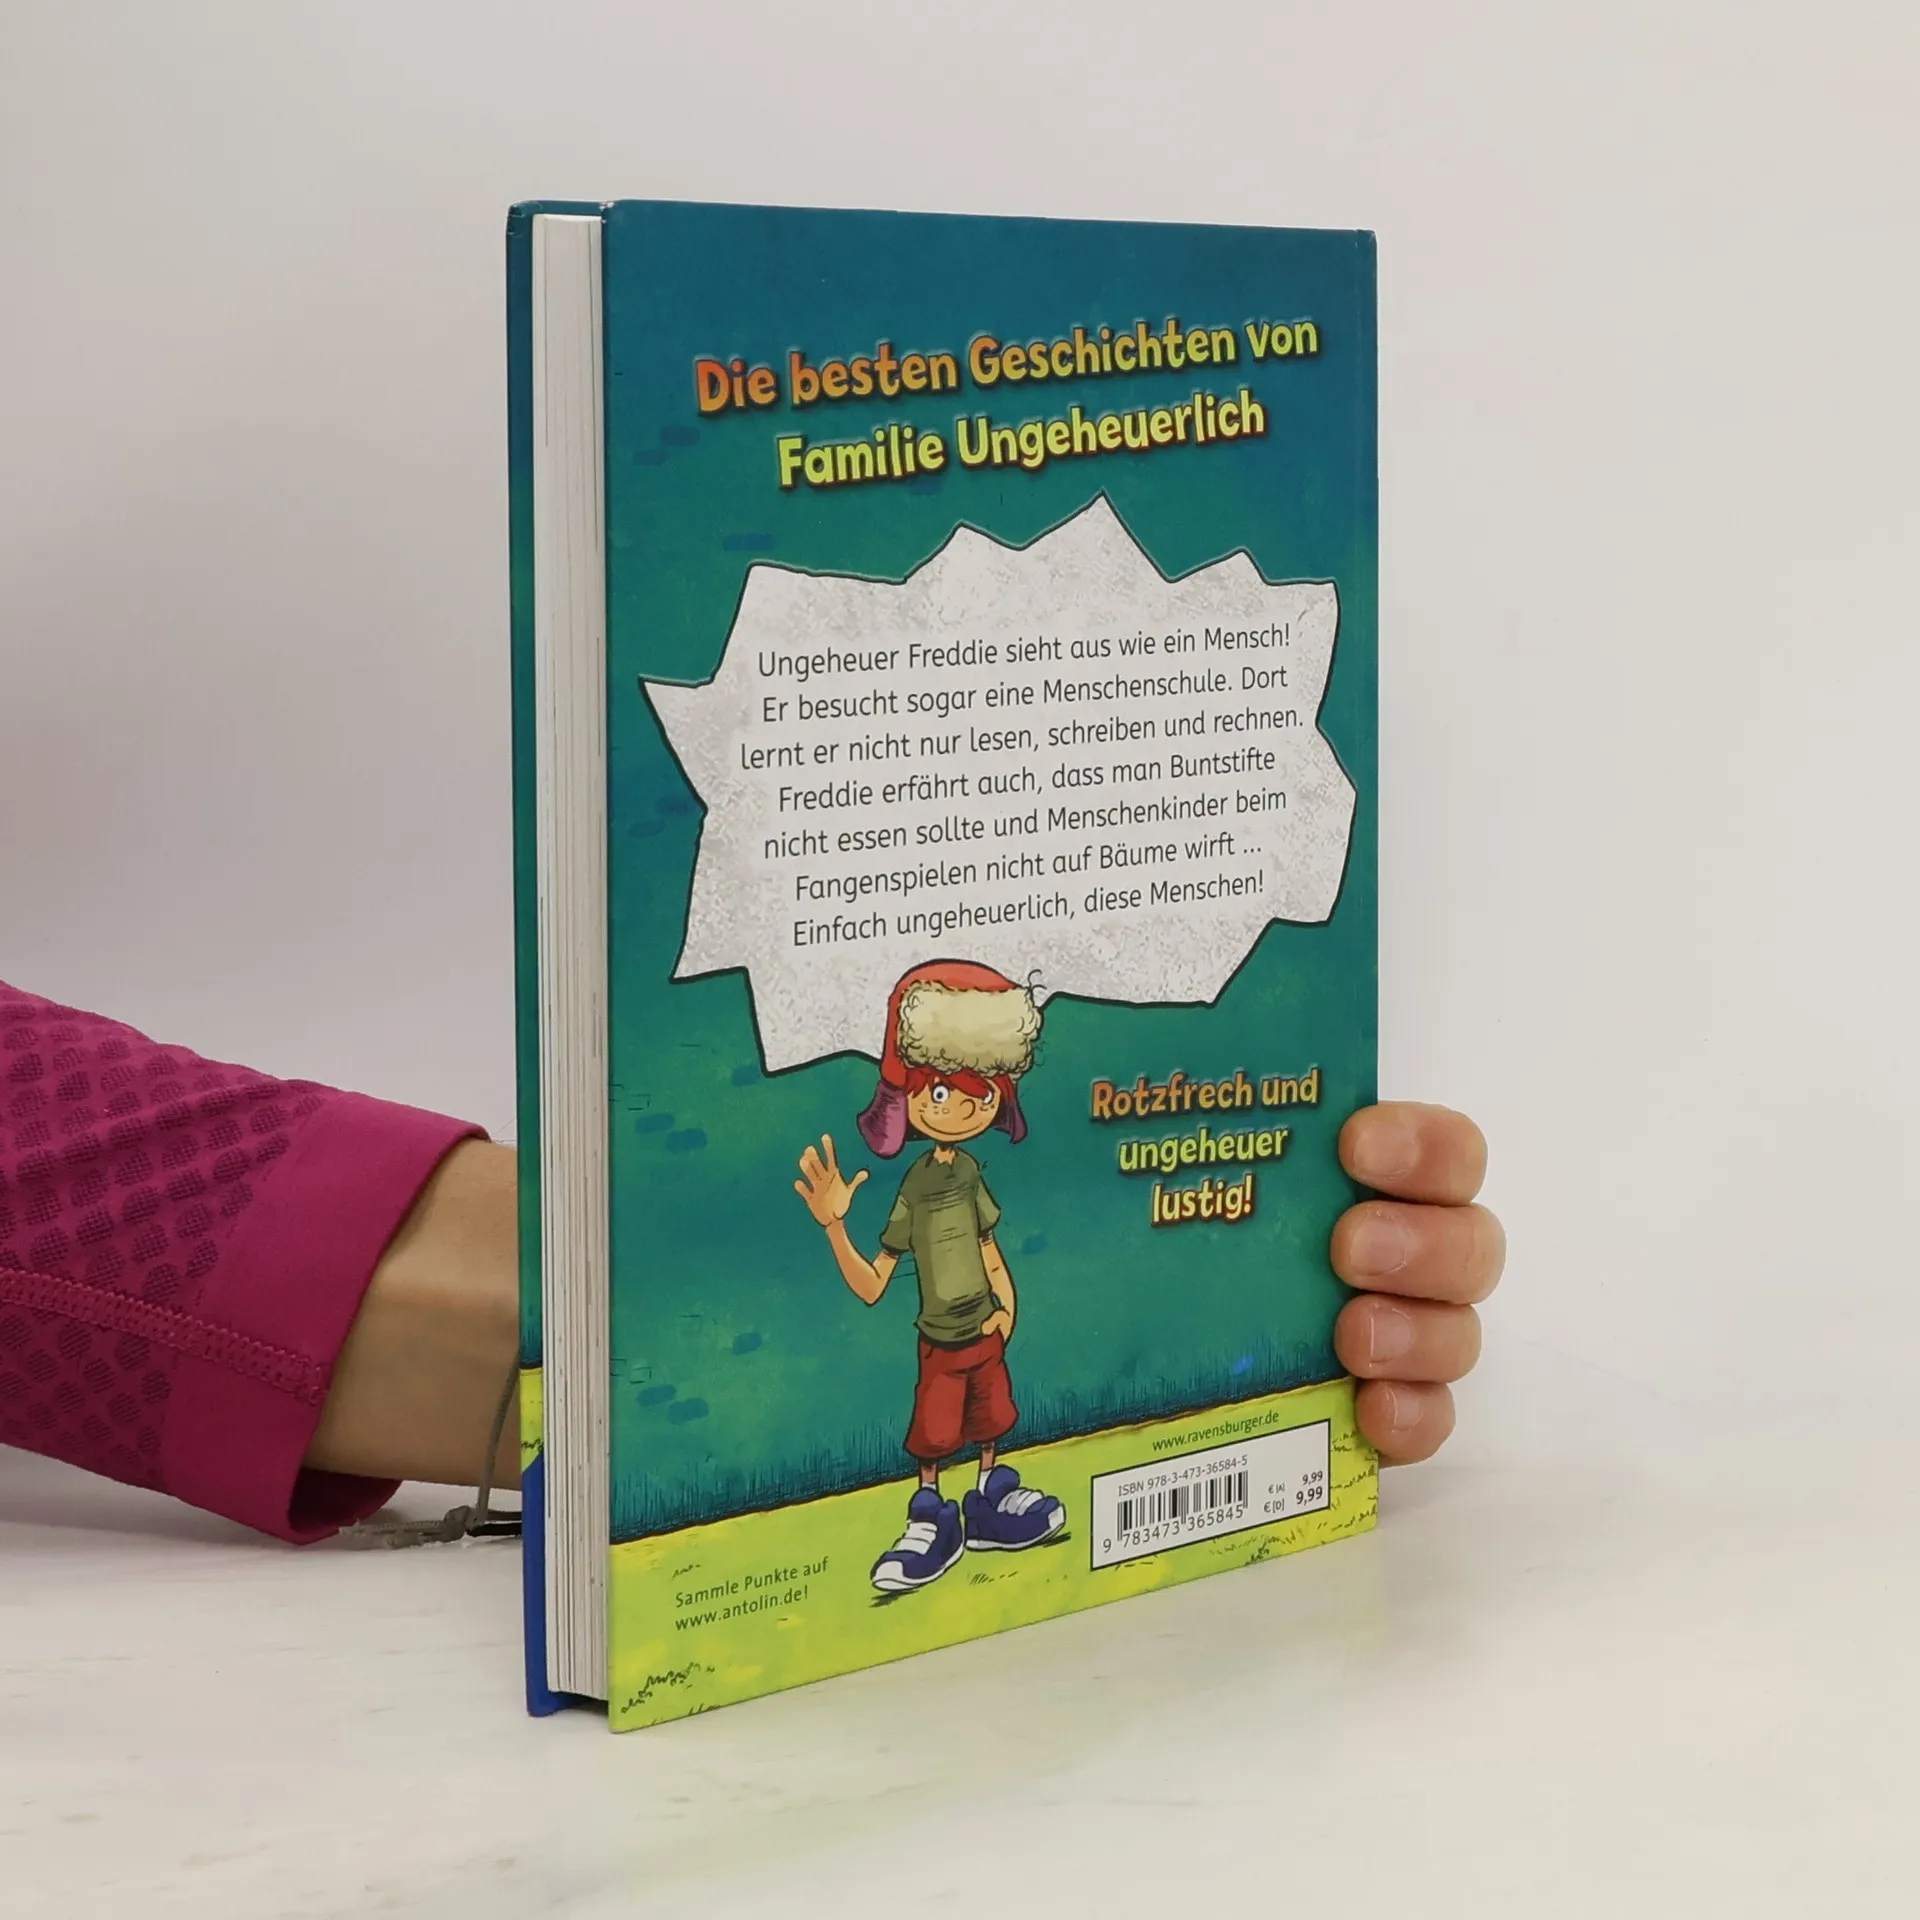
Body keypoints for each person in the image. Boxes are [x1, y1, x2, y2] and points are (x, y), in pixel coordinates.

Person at [0, 974, 1504, 1541]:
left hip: (977, 1352)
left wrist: (1197, 1265)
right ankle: (940, 1510)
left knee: (982, 1422)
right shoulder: (904, 1201)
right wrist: (718, 1309)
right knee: (933, 1436)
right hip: (814, 1348)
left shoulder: (978, 1188)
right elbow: (869, 1284)